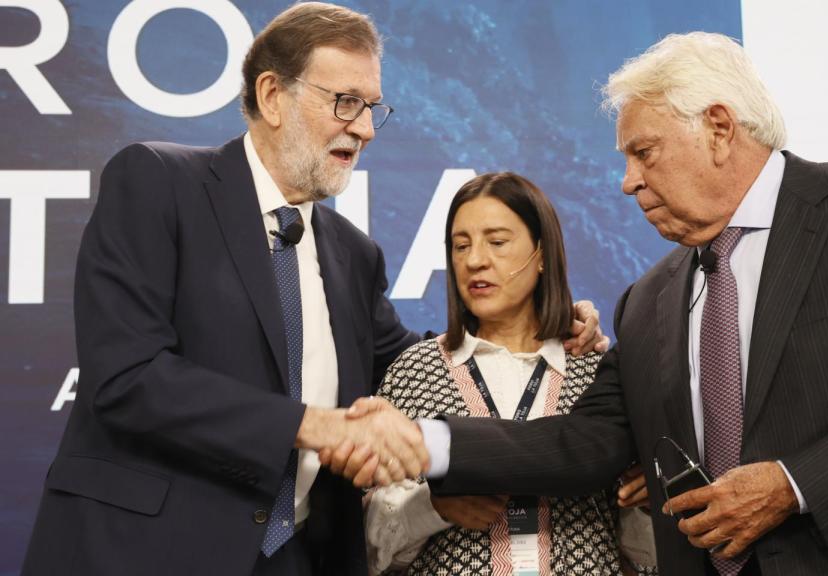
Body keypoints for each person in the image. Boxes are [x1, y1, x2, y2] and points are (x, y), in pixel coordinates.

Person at [344, 32, 828, 574]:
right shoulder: (647, 300)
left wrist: (791, 483)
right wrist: (423, 440)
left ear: (720, 128)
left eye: (644, 152)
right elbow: (583, 442)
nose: (628, 181)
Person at [21, 4, 604, 576]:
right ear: (273, 95)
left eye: (373, 107)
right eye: (347, 102)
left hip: (299, 556)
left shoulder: (352, 252)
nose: (366, 128)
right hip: (142, 552)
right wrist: (313, 424)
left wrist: (540, 325)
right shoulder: (158, 182)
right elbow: (128, 377)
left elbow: (415, 365)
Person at [360, 172, 658, 575]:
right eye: (460, 246)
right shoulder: (416, 370)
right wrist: (432, 508)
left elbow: (648, 553)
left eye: (497, 242)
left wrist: (646, 503)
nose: (475, 260)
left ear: (541, 254)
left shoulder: (596, 372)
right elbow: (366, 545)